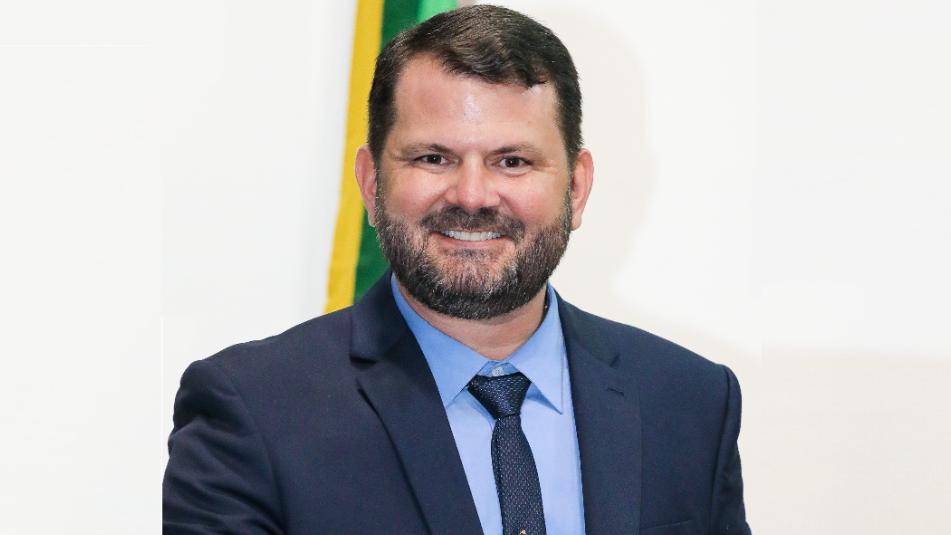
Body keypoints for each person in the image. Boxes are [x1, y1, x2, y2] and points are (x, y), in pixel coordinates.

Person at [163, 5, 751, 535]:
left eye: (512, 161)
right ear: (371, 182)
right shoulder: (254, 412)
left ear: (576, 187)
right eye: (433, 158)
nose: (472, 195)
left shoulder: (691, 401)